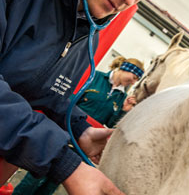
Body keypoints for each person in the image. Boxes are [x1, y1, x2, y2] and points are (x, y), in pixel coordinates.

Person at [0, 0, 189, 194]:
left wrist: (80, 130)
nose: (129, 0)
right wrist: (64, 163)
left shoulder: (87, 25)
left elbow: (40, 94)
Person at [13, 57, 142, 195]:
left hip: (84, 148)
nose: (134, 82)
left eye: (136, 80)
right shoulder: (94, 77)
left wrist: (124, 111)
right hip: (63, 135)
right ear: (125, 68)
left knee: (52, 185)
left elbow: (111, 125)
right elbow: (66, 102)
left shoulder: (122, 98)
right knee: (34, 179)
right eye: (133, 77)